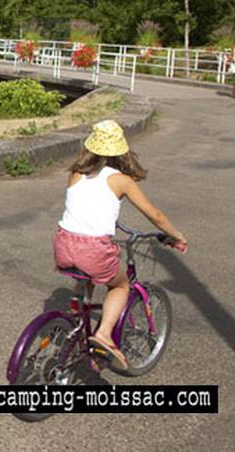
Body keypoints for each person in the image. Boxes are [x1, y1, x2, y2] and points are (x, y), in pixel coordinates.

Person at [53, 119, 187, 370]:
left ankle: (79, 321)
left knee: (87, 275)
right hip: (93, 249)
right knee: (120, 285)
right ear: (121, 151)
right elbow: (155, 215)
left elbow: (84, 207)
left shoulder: (75, 174)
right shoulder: (121, 180)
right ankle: (103, 334)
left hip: (63, 244)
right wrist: (177, 236)